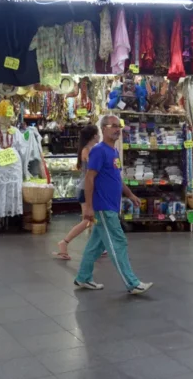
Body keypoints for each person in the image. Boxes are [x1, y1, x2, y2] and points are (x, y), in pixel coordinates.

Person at [75, 114, 152, 294]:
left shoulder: (114, 151)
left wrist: (130, 194)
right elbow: (89, 178)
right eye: (113, 126)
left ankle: (83, 277)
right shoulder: (98, 151)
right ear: (103, 129)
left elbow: (116, 178)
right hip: (103, 207)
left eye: (119, 126)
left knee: (96, 245)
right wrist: (88, 206)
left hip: (111, 205)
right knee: (118, 242)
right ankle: (132, 283)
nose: (117, 129)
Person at [54, 124, 103, 260]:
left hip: (87, 188)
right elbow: (92, 171)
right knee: (87, 220)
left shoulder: (90, 149)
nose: (100, 136)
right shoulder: (87, 151)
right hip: (85, 189)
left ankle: (96, 248)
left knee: (93, 220)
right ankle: (64, 242)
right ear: (94, 136)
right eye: (98, 133)